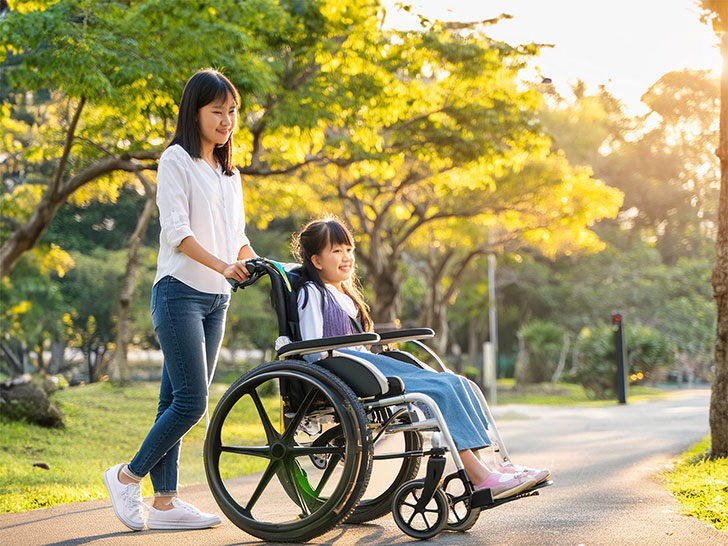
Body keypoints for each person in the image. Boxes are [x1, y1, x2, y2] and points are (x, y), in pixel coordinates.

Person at [292, 216, 550, 500]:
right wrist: (351, 352)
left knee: (456, 383)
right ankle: (480, 477)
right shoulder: (311, 293)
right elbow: (312, 348)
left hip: (366, 362)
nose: (346, 258)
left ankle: (496, 466)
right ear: (317, 261)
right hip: (346, 370)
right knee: (438, 390)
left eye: (349, 250)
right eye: (337, 251)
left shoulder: (344, 294)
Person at [104, 69, 256, 531]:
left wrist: (253, 261)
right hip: (178, 294)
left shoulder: (229, 173)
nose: (227, 121)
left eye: (232, 112)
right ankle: (127, 475)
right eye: (217, 112)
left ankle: (166, 504)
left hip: (217, 300)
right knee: (193, 402)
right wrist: (224, 265)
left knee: (173, 398)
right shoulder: (176, 159)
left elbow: (238, 237)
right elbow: (177, 232)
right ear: (195, 112)